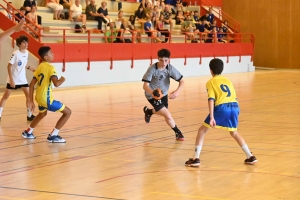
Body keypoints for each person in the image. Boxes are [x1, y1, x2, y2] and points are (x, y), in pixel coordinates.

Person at [185, 58, 258, 167]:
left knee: (202, 130)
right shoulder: (228, 81)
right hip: (235, 106)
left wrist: (212, 117)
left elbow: (211, 99)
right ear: (222, 69)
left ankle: (196, 158)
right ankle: (250, 156)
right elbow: (234, 97)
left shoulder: (210, 82)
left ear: (210, 70)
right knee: (234, 132)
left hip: (222, 107)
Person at [21, 46, 71, 142]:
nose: (53, 54)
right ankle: (53, 135)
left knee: (42, 114)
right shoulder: (50, 68)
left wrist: (30, 100)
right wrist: (62, 79)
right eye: (51, 53)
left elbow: (31, 85)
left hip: (39, 97)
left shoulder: (39, 67)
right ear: (45, 57)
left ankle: (28, 131)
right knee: (68, 112)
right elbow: (56, 83)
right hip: (46, 99)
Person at [142, 49, 185, 141]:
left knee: (164, 112)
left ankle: (149, 112)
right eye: (161, 60)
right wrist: (153, 94)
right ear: (158, 59)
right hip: (152, 94)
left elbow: (182, 81)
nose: (164, 63)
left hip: (164, 94)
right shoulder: (152, 69)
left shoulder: (170, 68)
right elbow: (145, 86)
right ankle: (178, 132)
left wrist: (177, 91)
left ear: (169, 59)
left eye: (166, 60)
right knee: (167, 115)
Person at [0, 35, 35, 122]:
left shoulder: (26, 53)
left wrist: (30, 68)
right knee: (5, 97)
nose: (26, 44)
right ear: (19, 44)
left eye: (26, 42)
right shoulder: (15, 53)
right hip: (14, 79)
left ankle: (29, 115)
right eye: (24, 42)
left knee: (29, 97)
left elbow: (24, 64)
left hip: (22, 79)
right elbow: (9, 66)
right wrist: (11, 79)